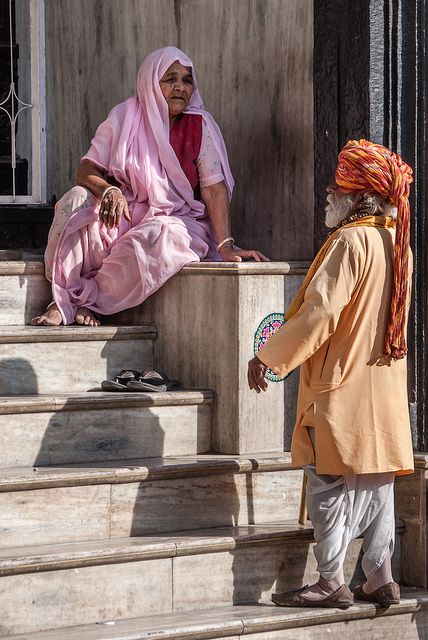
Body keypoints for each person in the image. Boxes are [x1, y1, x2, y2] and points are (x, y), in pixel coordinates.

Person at [247, 139, 414, 609]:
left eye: (337, 184)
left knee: (329, 482)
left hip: (342, 385)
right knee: (376, 481)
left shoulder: (350, 241)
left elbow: (319, 314)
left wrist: (269, 357)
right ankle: (380, 577)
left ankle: (330, 580)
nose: (328, 191)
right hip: (380, 389)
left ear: (359, 194)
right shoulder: (394, 242)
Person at [32, 46, 268, 326]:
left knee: (161, 237)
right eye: (170, 79)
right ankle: (61, 296)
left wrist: (226, 246)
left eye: (187, 80)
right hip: (125, 212)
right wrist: (108, 190)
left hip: (178, 219)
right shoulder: (124, 116)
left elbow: (213, 188)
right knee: (74, 201)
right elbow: (86, 169)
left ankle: (86, 301)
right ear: (150, 83)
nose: (180, 87)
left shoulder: (199, 125)